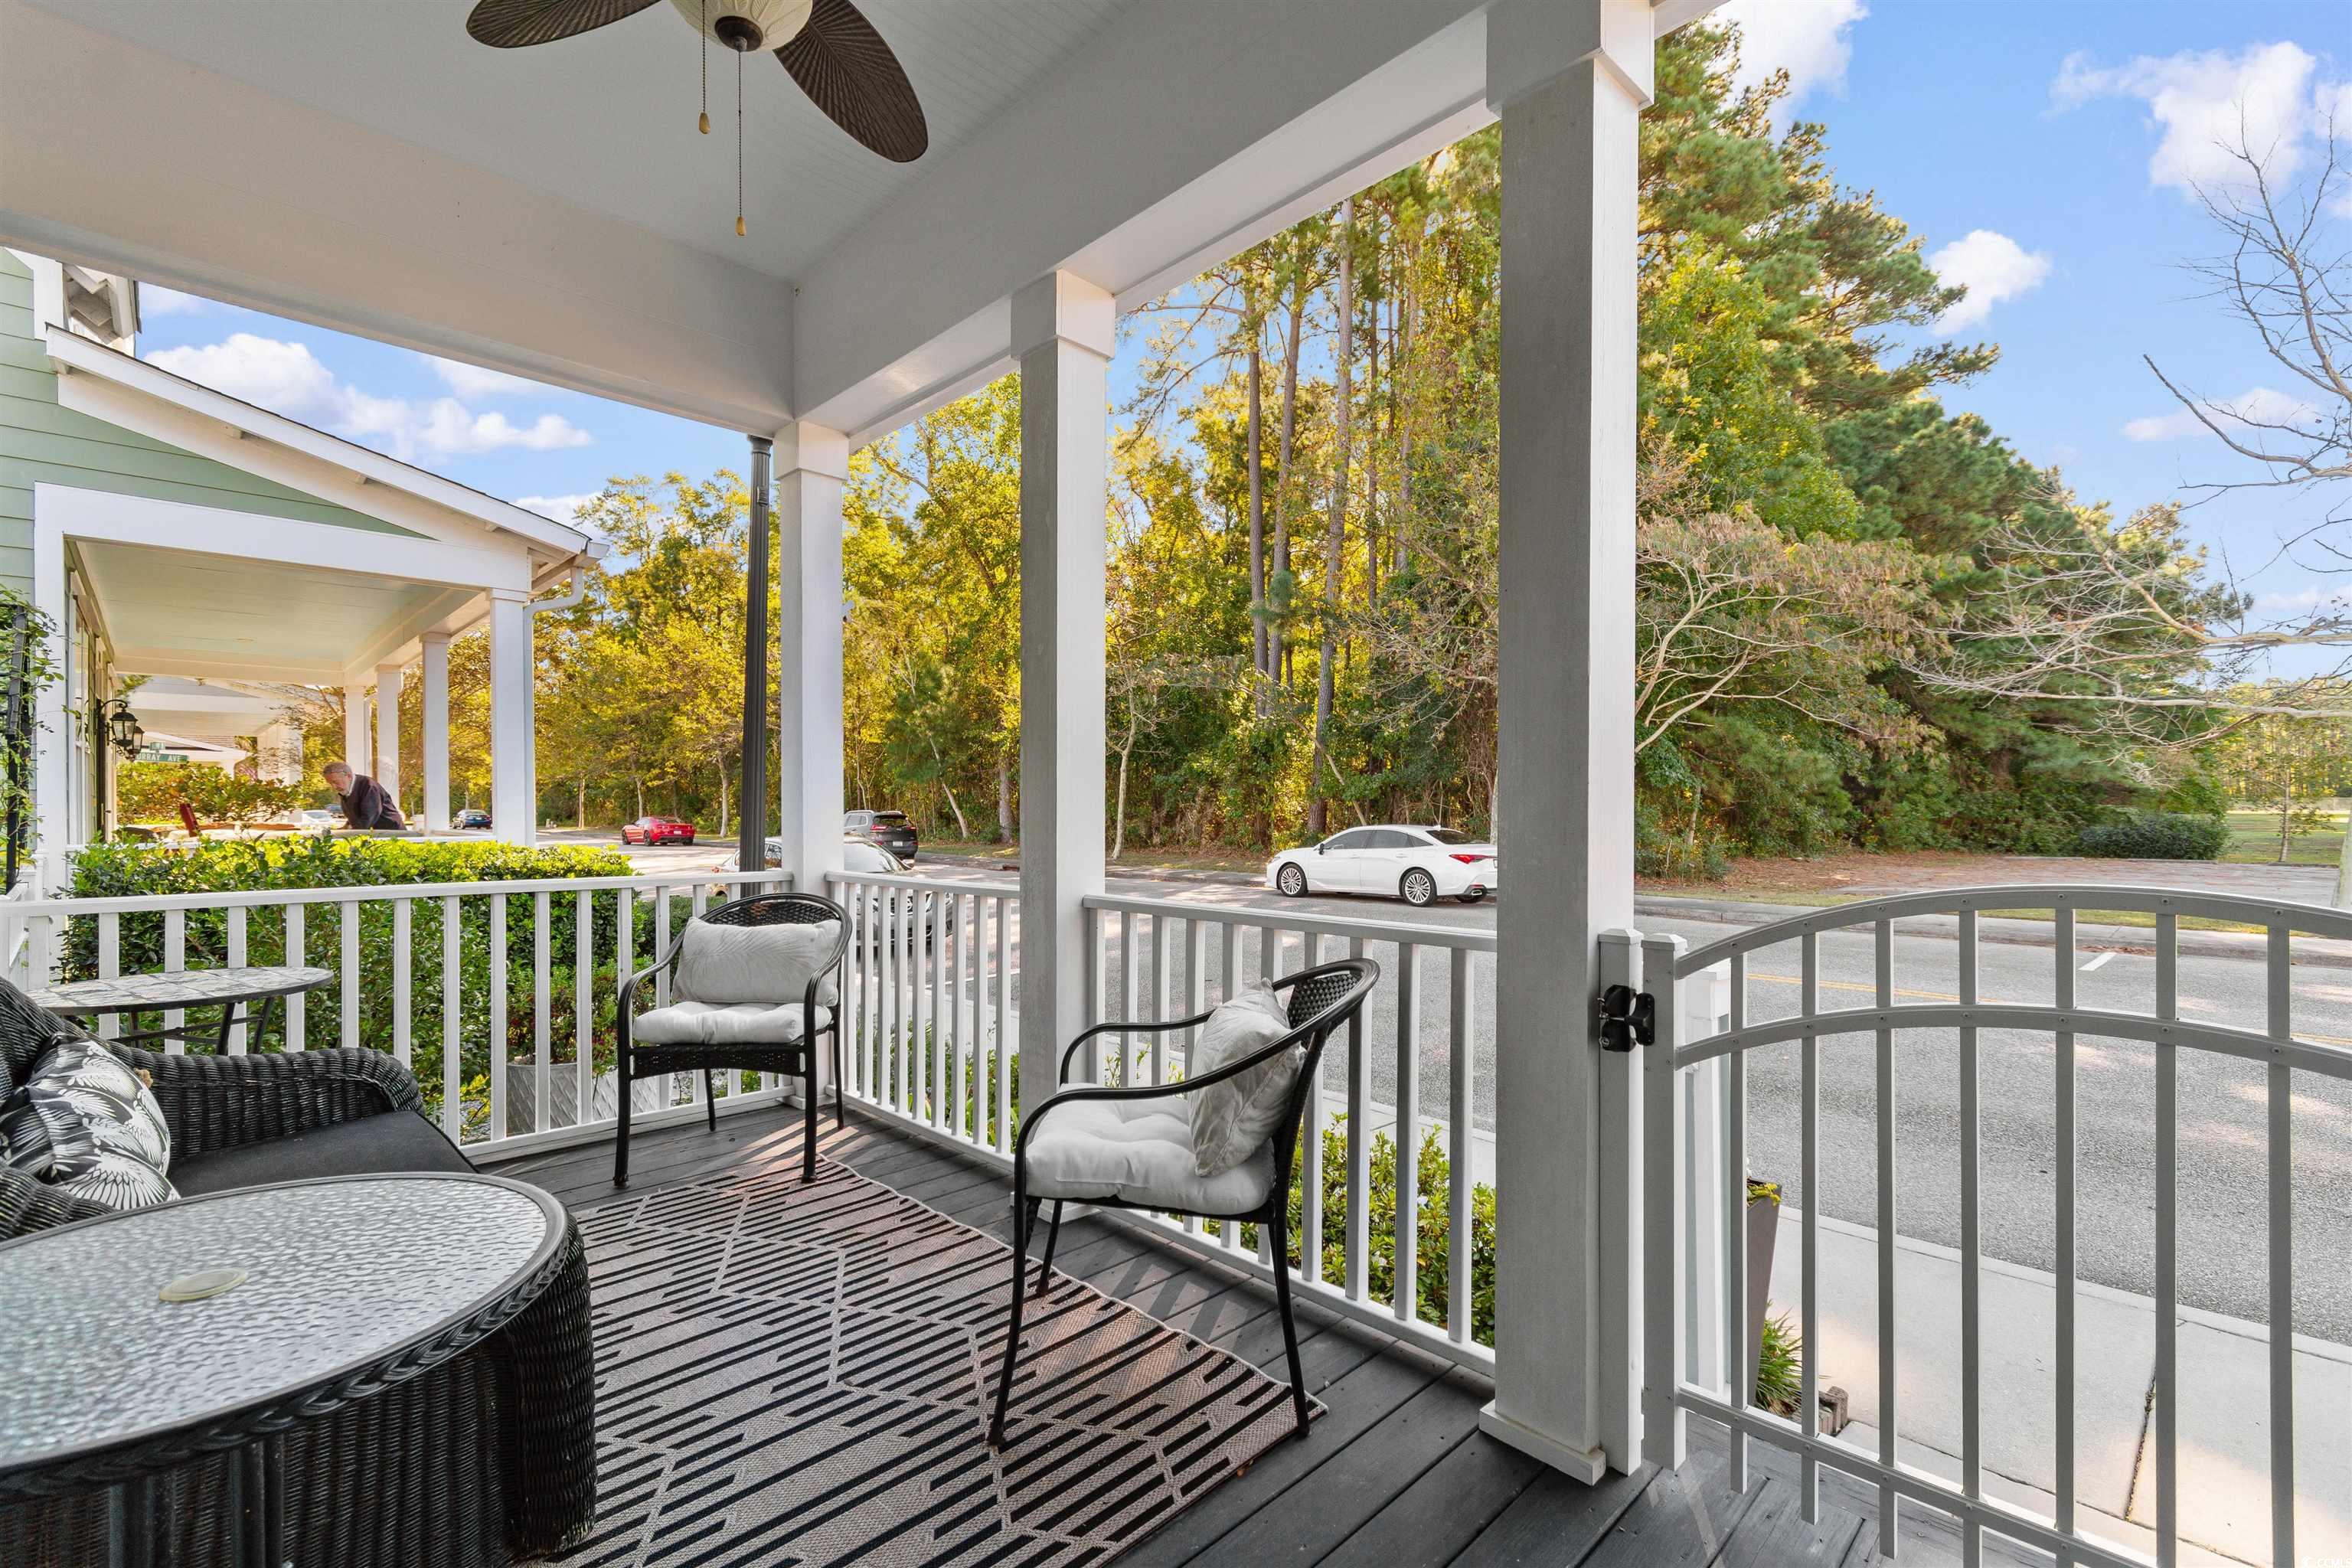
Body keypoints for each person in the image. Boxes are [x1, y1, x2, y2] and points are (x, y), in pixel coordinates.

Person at [322, 760, 406, 830]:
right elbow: (356, 814)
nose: (334, 787)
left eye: (336, 782)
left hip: (392, 834)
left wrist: (349, 833)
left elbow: (369, 817)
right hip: (377, 835)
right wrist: (345, 828)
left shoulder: (369, 786)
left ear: (349, 776)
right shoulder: (347, 789)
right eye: (330, 783)